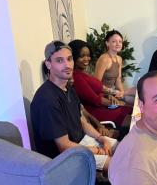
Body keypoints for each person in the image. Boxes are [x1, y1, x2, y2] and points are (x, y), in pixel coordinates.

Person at [31, 41, 117, 173]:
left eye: (69, 59)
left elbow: (81, 121)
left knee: (125, 149)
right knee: (121, 166)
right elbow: (64, 147)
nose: (67, 65)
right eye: (59, 60)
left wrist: (101, 138)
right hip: (66, 159)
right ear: (48, 64)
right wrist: (99, 151)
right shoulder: (46, 99)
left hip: (82, 142)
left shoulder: (68, 88)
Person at [69, 39, 132, 127]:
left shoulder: (84, 73)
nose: (86, 59)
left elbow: (97, 92)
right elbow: (95, 99)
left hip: (104, 105)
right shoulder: (76, 76)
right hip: (97, 112)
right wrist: (117, 102)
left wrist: (108, 96)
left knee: (134, 111)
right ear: (74, 57)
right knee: (135, 118)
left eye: (88, 55)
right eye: (82, 56)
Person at [94, 29, 136, 105]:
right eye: (114, 41)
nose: (118, 44)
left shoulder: (119, 59)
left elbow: (118, 80)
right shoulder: (104, 59)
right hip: (103, 94)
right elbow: (96, 84)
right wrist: (113, 92)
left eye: (120, 42)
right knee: (132, 101)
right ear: (107, 43)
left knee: (137, 93)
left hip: (113, 92)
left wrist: (122, 93)